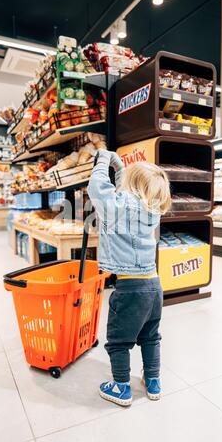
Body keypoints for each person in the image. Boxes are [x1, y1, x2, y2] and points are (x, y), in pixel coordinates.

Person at [88, 150, 171, 407]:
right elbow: (127, 189)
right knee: (150, 336)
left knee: (118, 342)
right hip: (154, 286)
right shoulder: (152, 209)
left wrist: (104, 160)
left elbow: (97, 187)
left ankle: (121, 387)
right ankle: (153, 381)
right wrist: (120, 167)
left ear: (130, 186)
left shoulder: (117, 207)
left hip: (129, 288)